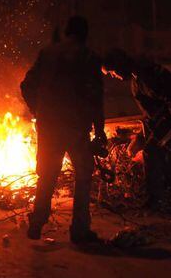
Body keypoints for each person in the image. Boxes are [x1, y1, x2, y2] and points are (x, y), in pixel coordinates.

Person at [21, 16, 106, 243]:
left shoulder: (47, 53)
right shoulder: (88, 57)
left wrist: (37, 110)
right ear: (85, 33)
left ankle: (37, 222)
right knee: (84, 174)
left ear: (67, 32)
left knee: (47, 174)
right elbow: (96, 97)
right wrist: (99, 130)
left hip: (48, 125)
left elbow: (26, 84)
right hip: (75, 126)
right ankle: (79, 230)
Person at [102, 49, 171, 208]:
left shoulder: (144, 77)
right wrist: (140, 135)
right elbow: (151, 110)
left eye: (112, 72)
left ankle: (157, 199)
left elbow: (169, 95)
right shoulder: (138, 74)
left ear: (119, 66)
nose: (114, 76)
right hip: (163, 119)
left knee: (151, 153)